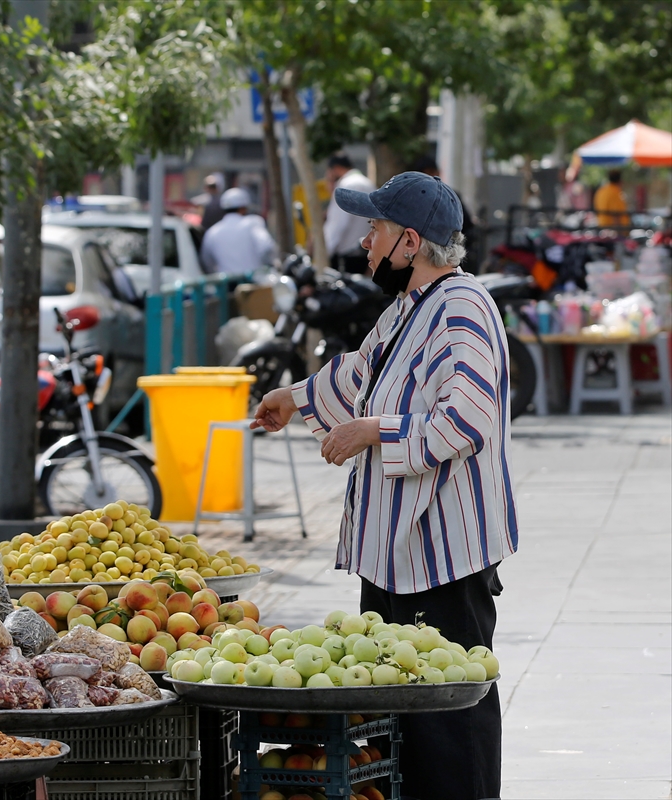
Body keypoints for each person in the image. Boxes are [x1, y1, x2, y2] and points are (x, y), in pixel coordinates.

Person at [252, 171, 517, 800]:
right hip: (395, 552)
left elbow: (465, 421)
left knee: (449, 722)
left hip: (442, 555)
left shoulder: (463, 307)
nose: (365, 243)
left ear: (410, 242)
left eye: (374, 229)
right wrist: (293, 397)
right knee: (403, 718)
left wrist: (373, 431)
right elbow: (358, 374)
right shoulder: (407, 308)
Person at [411, 155, 478, 271]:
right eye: (427, 173)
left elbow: (467, 227)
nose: (431, 177)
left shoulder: (450, 197)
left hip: (447, 257)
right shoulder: (412, 198)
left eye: (432, 172)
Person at [199, 187, 277, 274]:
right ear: (243, 208)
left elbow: (207, 261)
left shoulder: (212, 232)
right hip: (255, 280)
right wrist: (266, 267)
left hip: (227, 281)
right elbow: (266, 247)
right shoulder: (253, 223)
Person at [323, 152, 376, 273]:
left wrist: (325, 254)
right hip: (368, 254)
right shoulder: (368, 183)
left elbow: (337, 226)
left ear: (336, 168)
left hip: (346, 258)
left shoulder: (345, 186)